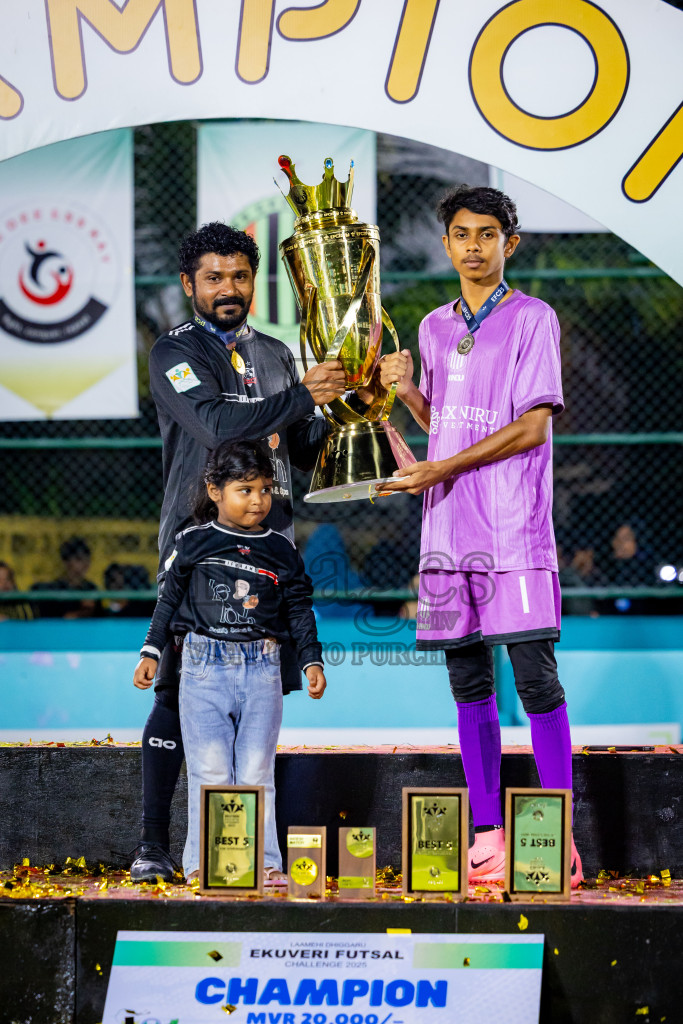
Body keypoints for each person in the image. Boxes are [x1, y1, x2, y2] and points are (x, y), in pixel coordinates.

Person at [379, 185, 582, 887]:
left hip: (511, 526)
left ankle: (558, 834)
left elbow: (530, 426)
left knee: (534, 679)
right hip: (447, 529)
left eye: (487, 234)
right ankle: (490, 834)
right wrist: (405, 396)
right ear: (446, 244)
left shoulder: (532, 318)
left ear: (509, 243)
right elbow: (444, 421)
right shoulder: (433, 326)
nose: (473, 245)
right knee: (467, 681)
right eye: (461, 233)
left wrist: (442, 463)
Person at [131, 222, 345, 882]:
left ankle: (248, 855)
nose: (229, 288)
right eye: (214, 277)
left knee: (257, 702)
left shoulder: (278, 354)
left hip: (270, 544)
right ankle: (152, 845)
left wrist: (355, 404)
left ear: (255, 281)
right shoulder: (175, 352)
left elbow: (308, 451)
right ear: (188, 284)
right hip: (196, 545)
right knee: (174, 694)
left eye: (240, 276)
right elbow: (217, 426)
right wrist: (303, 395)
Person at [133, 440, 326, 884]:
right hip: (202, 670)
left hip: (263, 669)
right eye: (244, 490)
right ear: (215, 491)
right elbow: (169, 602)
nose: (258, 500)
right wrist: (151, 651)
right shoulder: (193, 541)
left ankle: (268, 864)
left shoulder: (281, 550)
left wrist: (312, 661)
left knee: (258, 771)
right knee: (212, 771)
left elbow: (299, 608)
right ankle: (204, 863)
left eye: (265, 489)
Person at [31, 537, 98, 619]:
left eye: (87, 560)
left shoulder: (91, 588)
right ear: (66, 562)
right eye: (78, 559)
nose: (85, 564)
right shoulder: (54, 589)